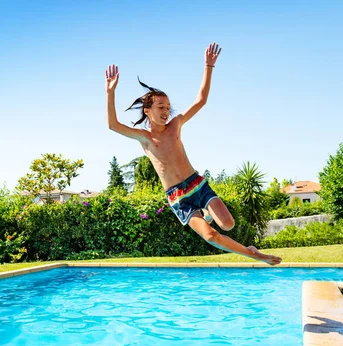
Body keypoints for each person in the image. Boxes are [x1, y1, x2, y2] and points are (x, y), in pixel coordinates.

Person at [105, 42, 281, 265]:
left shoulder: (176, 125)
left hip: (197, 184)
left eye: (168, 107)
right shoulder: (145, 138)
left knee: (228, 224)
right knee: (210, 235)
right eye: (160, 108)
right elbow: (113, 124)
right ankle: (254, 254)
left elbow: (201, 101)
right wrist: (110, 92)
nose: (166, 112)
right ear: (147, 111)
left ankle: (212, 218)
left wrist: (208, 66)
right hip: (178, 197)